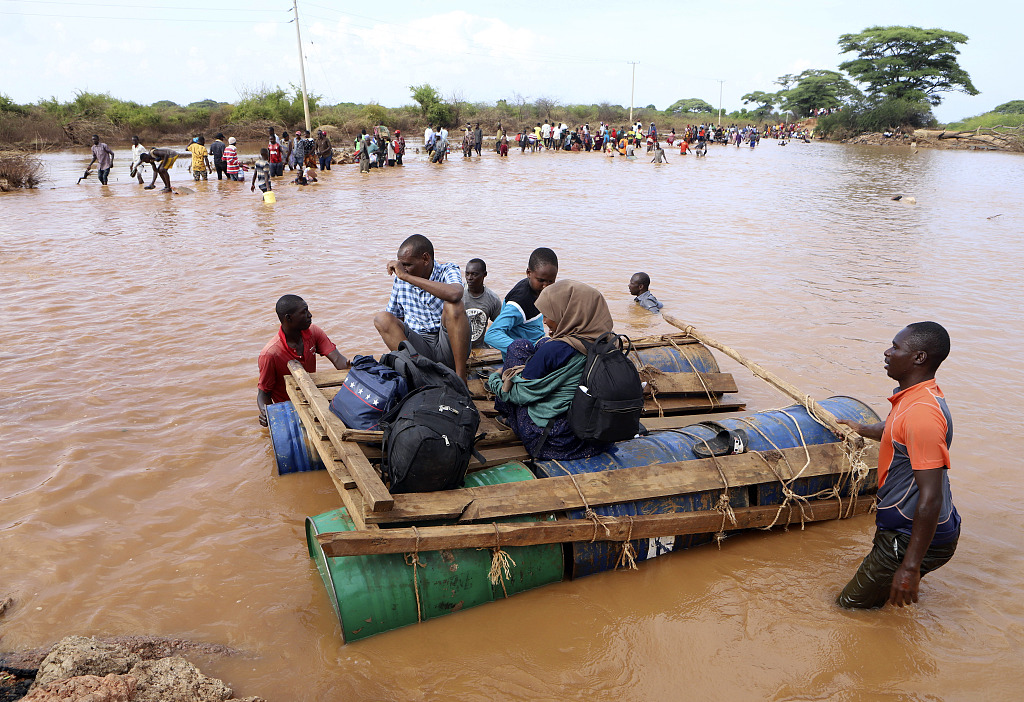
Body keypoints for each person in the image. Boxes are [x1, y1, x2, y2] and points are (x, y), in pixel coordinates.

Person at [836, 322, 960, 609]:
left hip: (907, 536)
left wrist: (910, 567)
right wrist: (861, 428)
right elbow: (894, 429)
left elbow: (930, 497)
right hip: (903, 529)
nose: (887, 352)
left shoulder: (922, 415)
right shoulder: (915, 397)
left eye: (896, 347)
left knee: (848, 608)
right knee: (882, 604)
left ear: (918, 358)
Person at [487, 280, 613, 460]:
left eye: (549, 315)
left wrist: (496, 380)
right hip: (598, 438)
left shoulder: (558, 349)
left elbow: (519, 395)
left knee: (518, 346)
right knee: (543, 342)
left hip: (555, 441)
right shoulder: (609, 343)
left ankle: (507, 417)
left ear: (567, 314)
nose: (545, 321)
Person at [374, 234, 471, 381]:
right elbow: (395, 319)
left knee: (454, 306)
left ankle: (460, 377)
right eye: (401, 265)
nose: (403, 270)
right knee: (382, 319)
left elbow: (455, 293)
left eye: (407, 265)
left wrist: (407, 277)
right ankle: (416, 374)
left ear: (425, 259)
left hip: (448, 345)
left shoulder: (447, 270)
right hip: (419, 349)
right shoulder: (400, 280)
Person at [257, 295, 350, 426]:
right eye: (304, 312)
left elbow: (339, 360)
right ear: (288, 318)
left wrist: (357, 368)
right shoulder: (270, 354)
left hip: (312, 399)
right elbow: (263, 393)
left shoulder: (314, 333)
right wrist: (266, 413)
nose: (310, 315)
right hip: (289, 409)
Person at [484, 247, 558, 360]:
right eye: (541, 280)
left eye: (550, 281)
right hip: (522, 358)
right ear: (528, 273)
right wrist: (522, 349)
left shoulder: (537, 290)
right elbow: (492, 335)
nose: (546, 286)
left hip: (537, 343)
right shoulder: (519, 304)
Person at [462, 258, 502, 349]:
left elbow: (500, 327)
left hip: (479, 348)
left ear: (484, 275)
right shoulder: (458, 294)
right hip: (458, 348)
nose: (469, 278)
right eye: (467, 274)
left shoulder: (493, 299)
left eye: (474, 274)